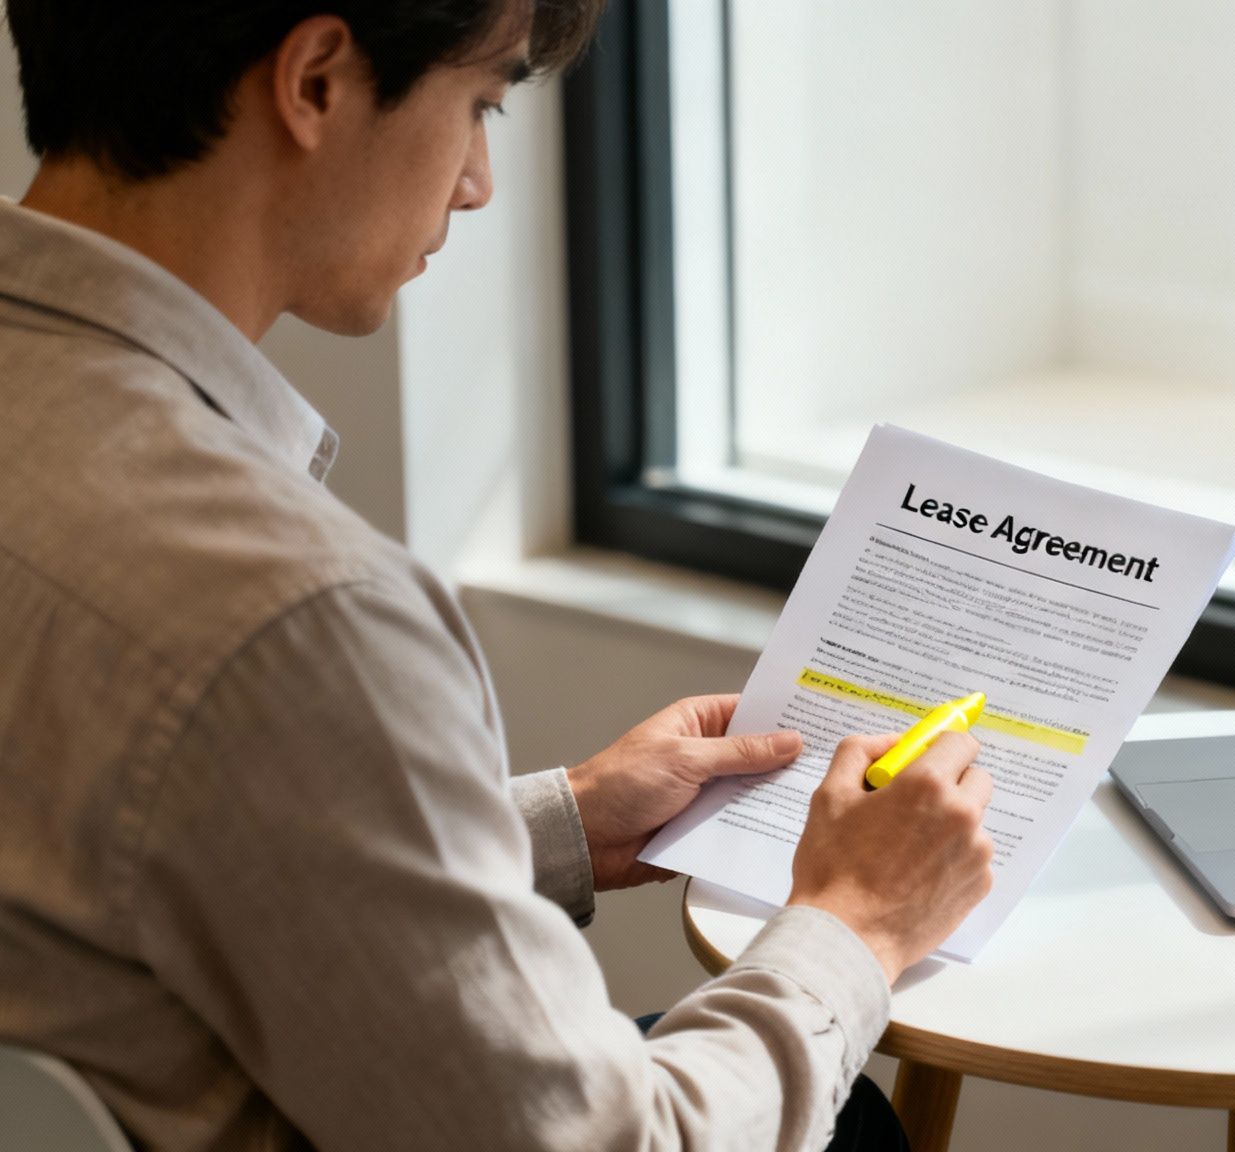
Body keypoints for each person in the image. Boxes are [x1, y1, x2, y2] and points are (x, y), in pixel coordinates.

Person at [0, 2, 998, 1150]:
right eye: (478, 105)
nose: (476, 184)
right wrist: (858, 922)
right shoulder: (292, 616)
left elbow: (126, 862)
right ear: (317, 79)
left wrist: (553, 820)